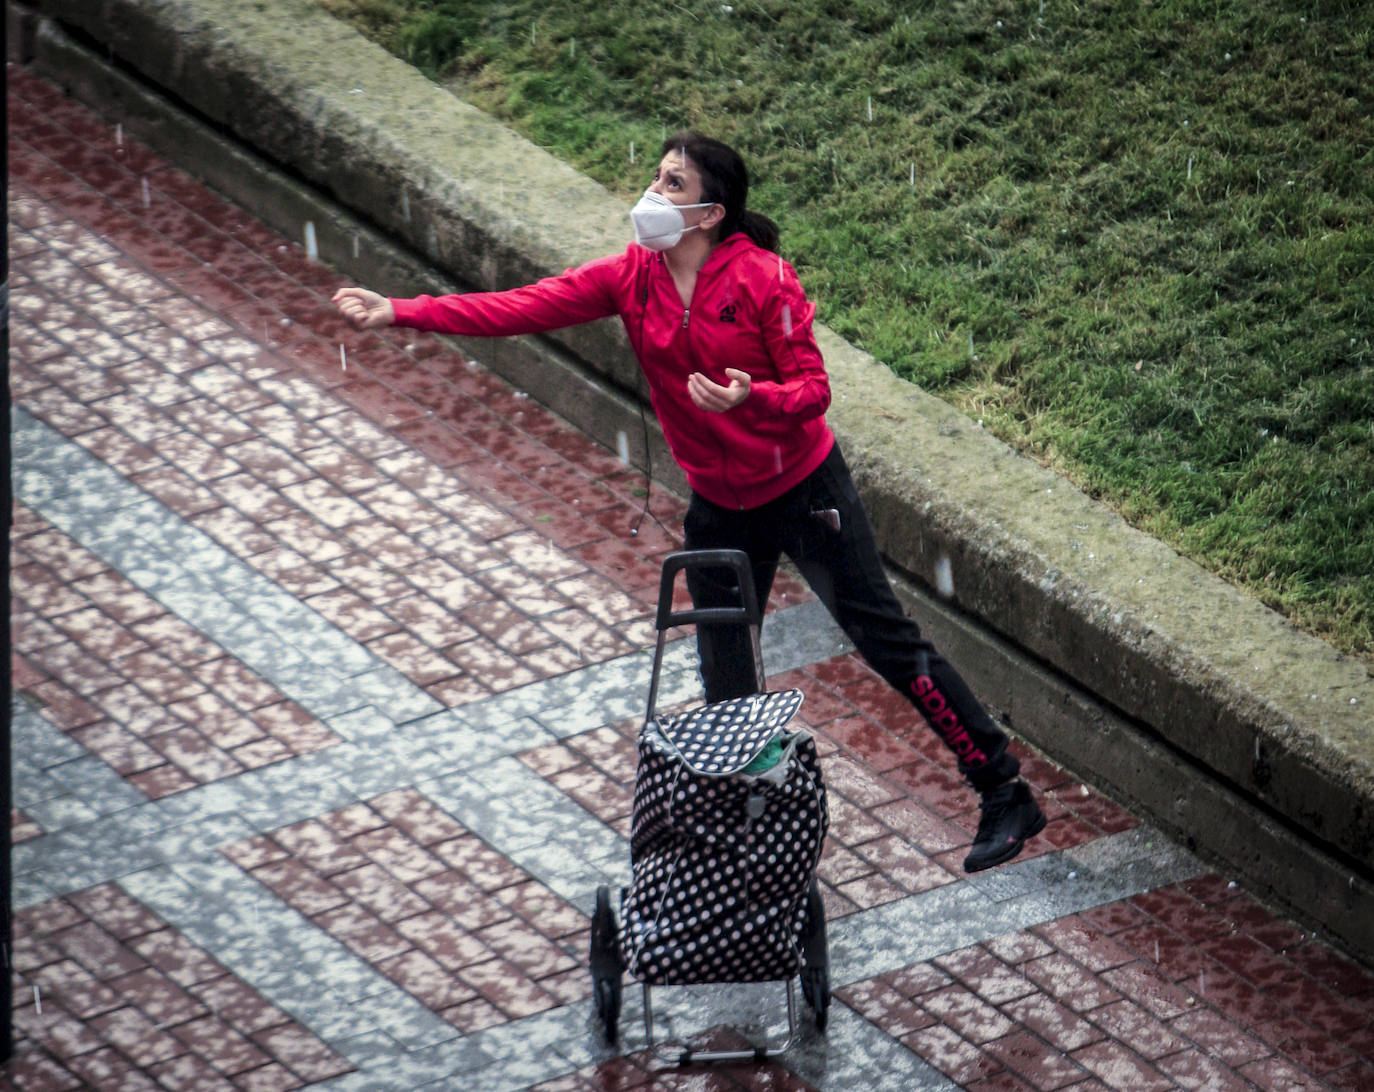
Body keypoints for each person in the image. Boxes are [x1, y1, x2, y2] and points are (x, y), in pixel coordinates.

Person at [333, 132, 1045, 872]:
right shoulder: (631, 277)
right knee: (725, 670)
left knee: (887, 642)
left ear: (710, 214)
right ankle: (749, 824)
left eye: (673, 184)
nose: (653, 193)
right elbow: (522, 306)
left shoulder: (764, 280)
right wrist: (402, 310)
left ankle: (1003, 790)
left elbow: (813, 393)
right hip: (719, 507)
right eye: (657, 176)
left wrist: (750, 397)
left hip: (805, 492)